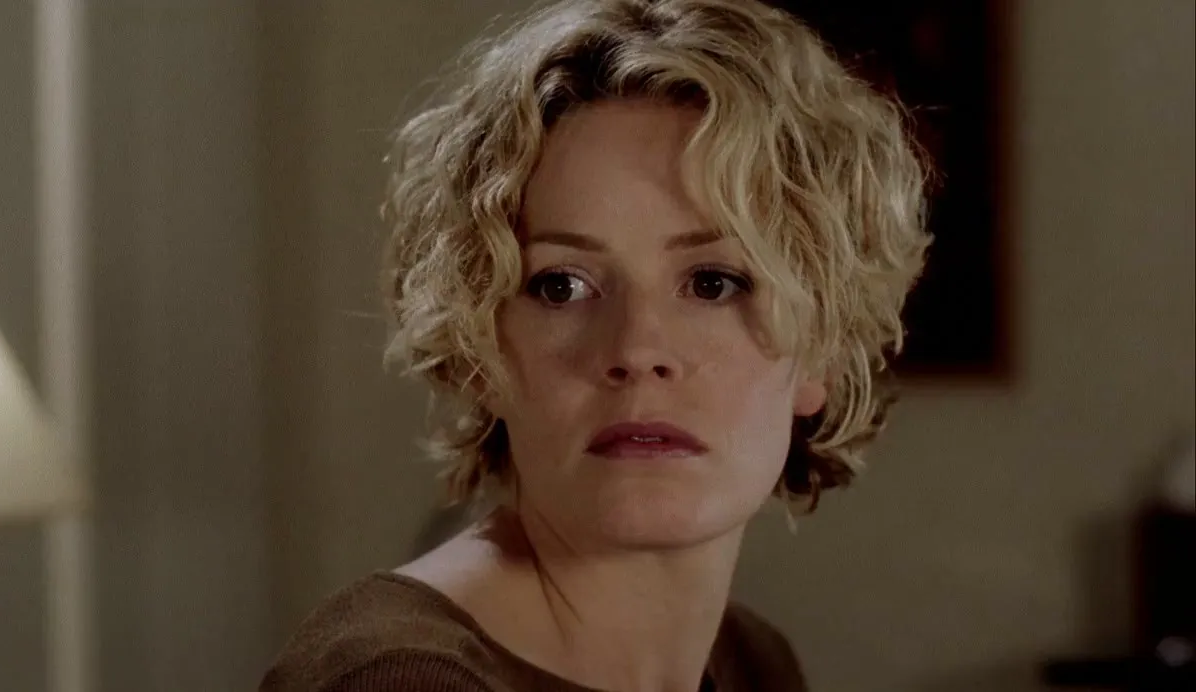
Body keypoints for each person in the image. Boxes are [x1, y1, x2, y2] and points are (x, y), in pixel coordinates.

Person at [261, 0, 930, 690]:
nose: (637, 349)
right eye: (562, 286)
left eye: (712, 283)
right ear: (480, 344)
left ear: (822, 346)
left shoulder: (755, 663)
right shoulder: (397, 679)